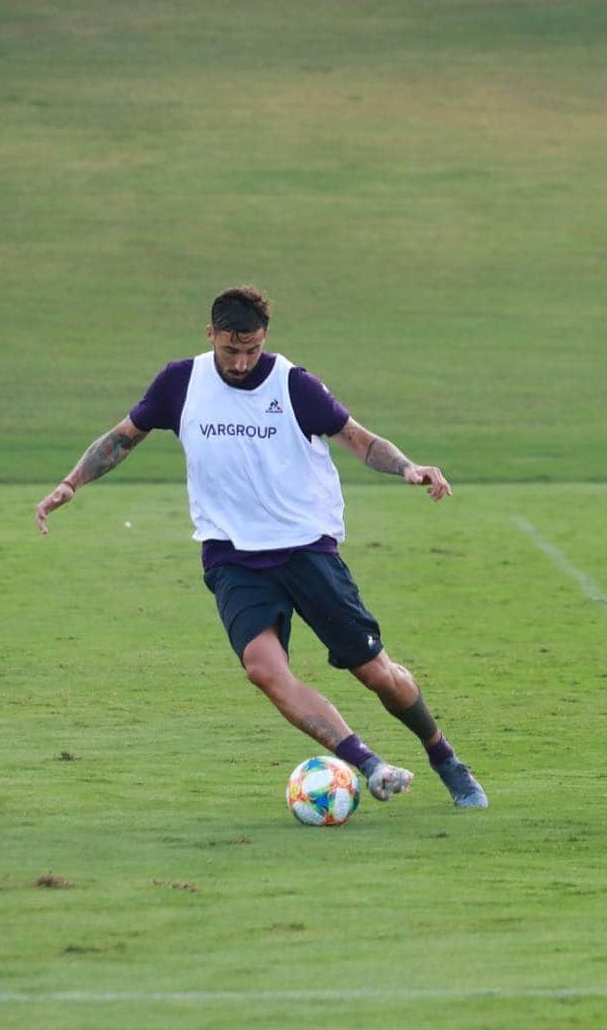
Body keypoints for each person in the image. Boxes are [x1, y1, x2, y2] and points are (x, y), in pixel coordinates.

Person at [35, 285, 488, 810]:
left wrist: (408, 466)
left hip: (306, 549)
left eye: (252, 349)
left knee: (376, 673)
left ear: (265, 339)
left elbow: (360, 440)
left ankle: (444, 757)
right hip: (232, 556)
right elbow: (122, 437)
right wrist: (71, 483)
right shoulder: (180, 382)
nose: (242, 361)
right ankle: (370, 765)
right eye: (231, 350)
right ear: (210, 336)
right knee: (264, 670)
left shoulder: (294, 385)